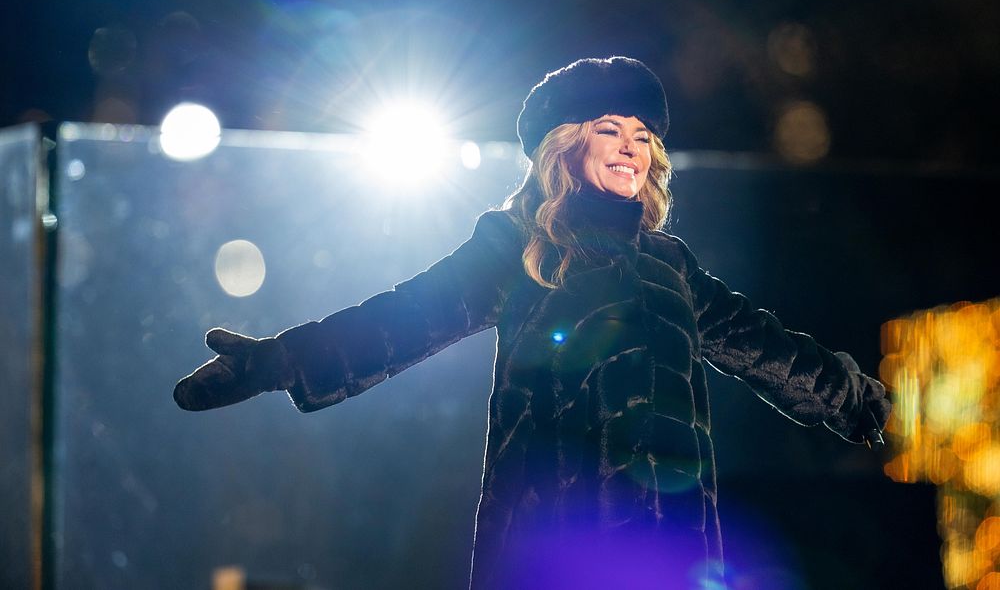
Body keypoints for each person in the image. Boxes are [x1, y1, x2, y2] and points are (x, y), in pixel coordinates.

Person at [174, 56, 891, 590]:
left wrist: (853, 396)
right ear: (565, 145)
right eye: (608, 129)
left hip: (671, 547)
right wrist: (277, 361)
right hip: (556, 547)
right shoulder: (517, 247)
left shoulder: (671, 263)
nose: (631, 148)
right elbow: (403, 317)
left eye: (642, 135)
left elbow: (763, 345)